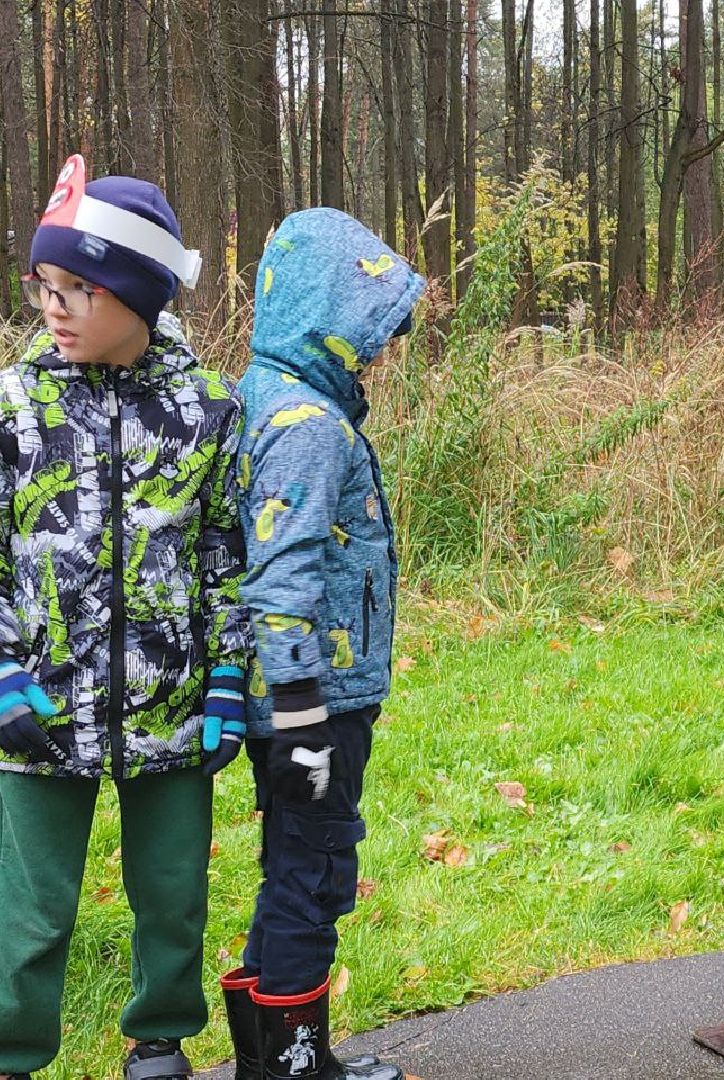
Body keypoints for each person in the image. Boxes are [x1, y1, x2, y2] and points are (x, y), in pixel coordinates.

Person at [0, 156, 249, 1080]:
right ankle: (13, 1049)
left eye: (78, 288)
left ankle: (160, 1036)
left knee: (173, 892)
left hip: (171, 702)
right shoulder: (14, 409)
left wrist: (228, 677)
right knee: (27, 904)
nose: (53, 308)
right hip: (36, 707)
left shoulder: (207, 412)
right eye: (44, 288)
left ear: (137, 297)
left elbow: (227, 557)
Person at [219, 208, 423, 1080]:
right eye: (369, 331)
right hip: (317, 705)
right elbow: (283, 566)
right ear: (325, 317)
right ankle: (301, 1067)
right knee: (317, 872)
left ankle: (270, 1062)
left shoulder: (267, 395)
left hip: (299, 699)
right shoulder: (307, 426)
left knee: (291, 866)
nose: (379, 352)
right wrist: (302, 711)